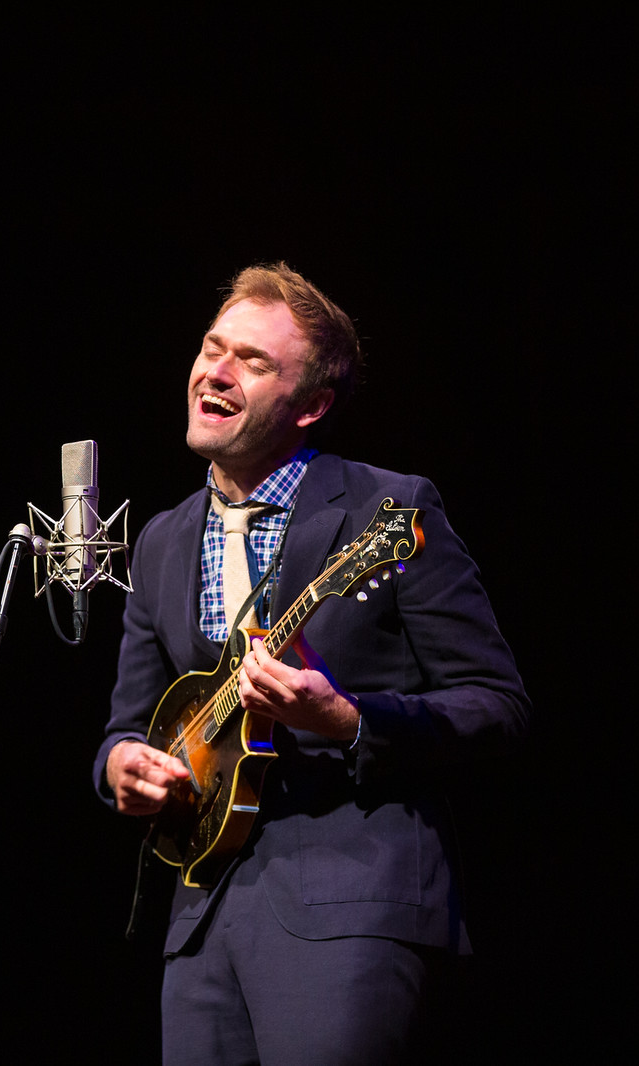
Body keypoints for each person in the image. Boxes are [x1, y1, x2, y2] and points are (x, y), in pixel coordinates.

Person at [95, 262, 530, 1064]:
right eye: (212, 347)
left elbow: (497, 705)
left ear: (313, 405)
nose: (216, 372)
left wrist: (348, 720)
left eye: (254, 363)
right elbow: (130, 722)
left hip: (349, 903)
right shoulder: (159, 539)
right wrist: (120, 764)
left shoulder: (387, 510)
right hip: (200, 918)